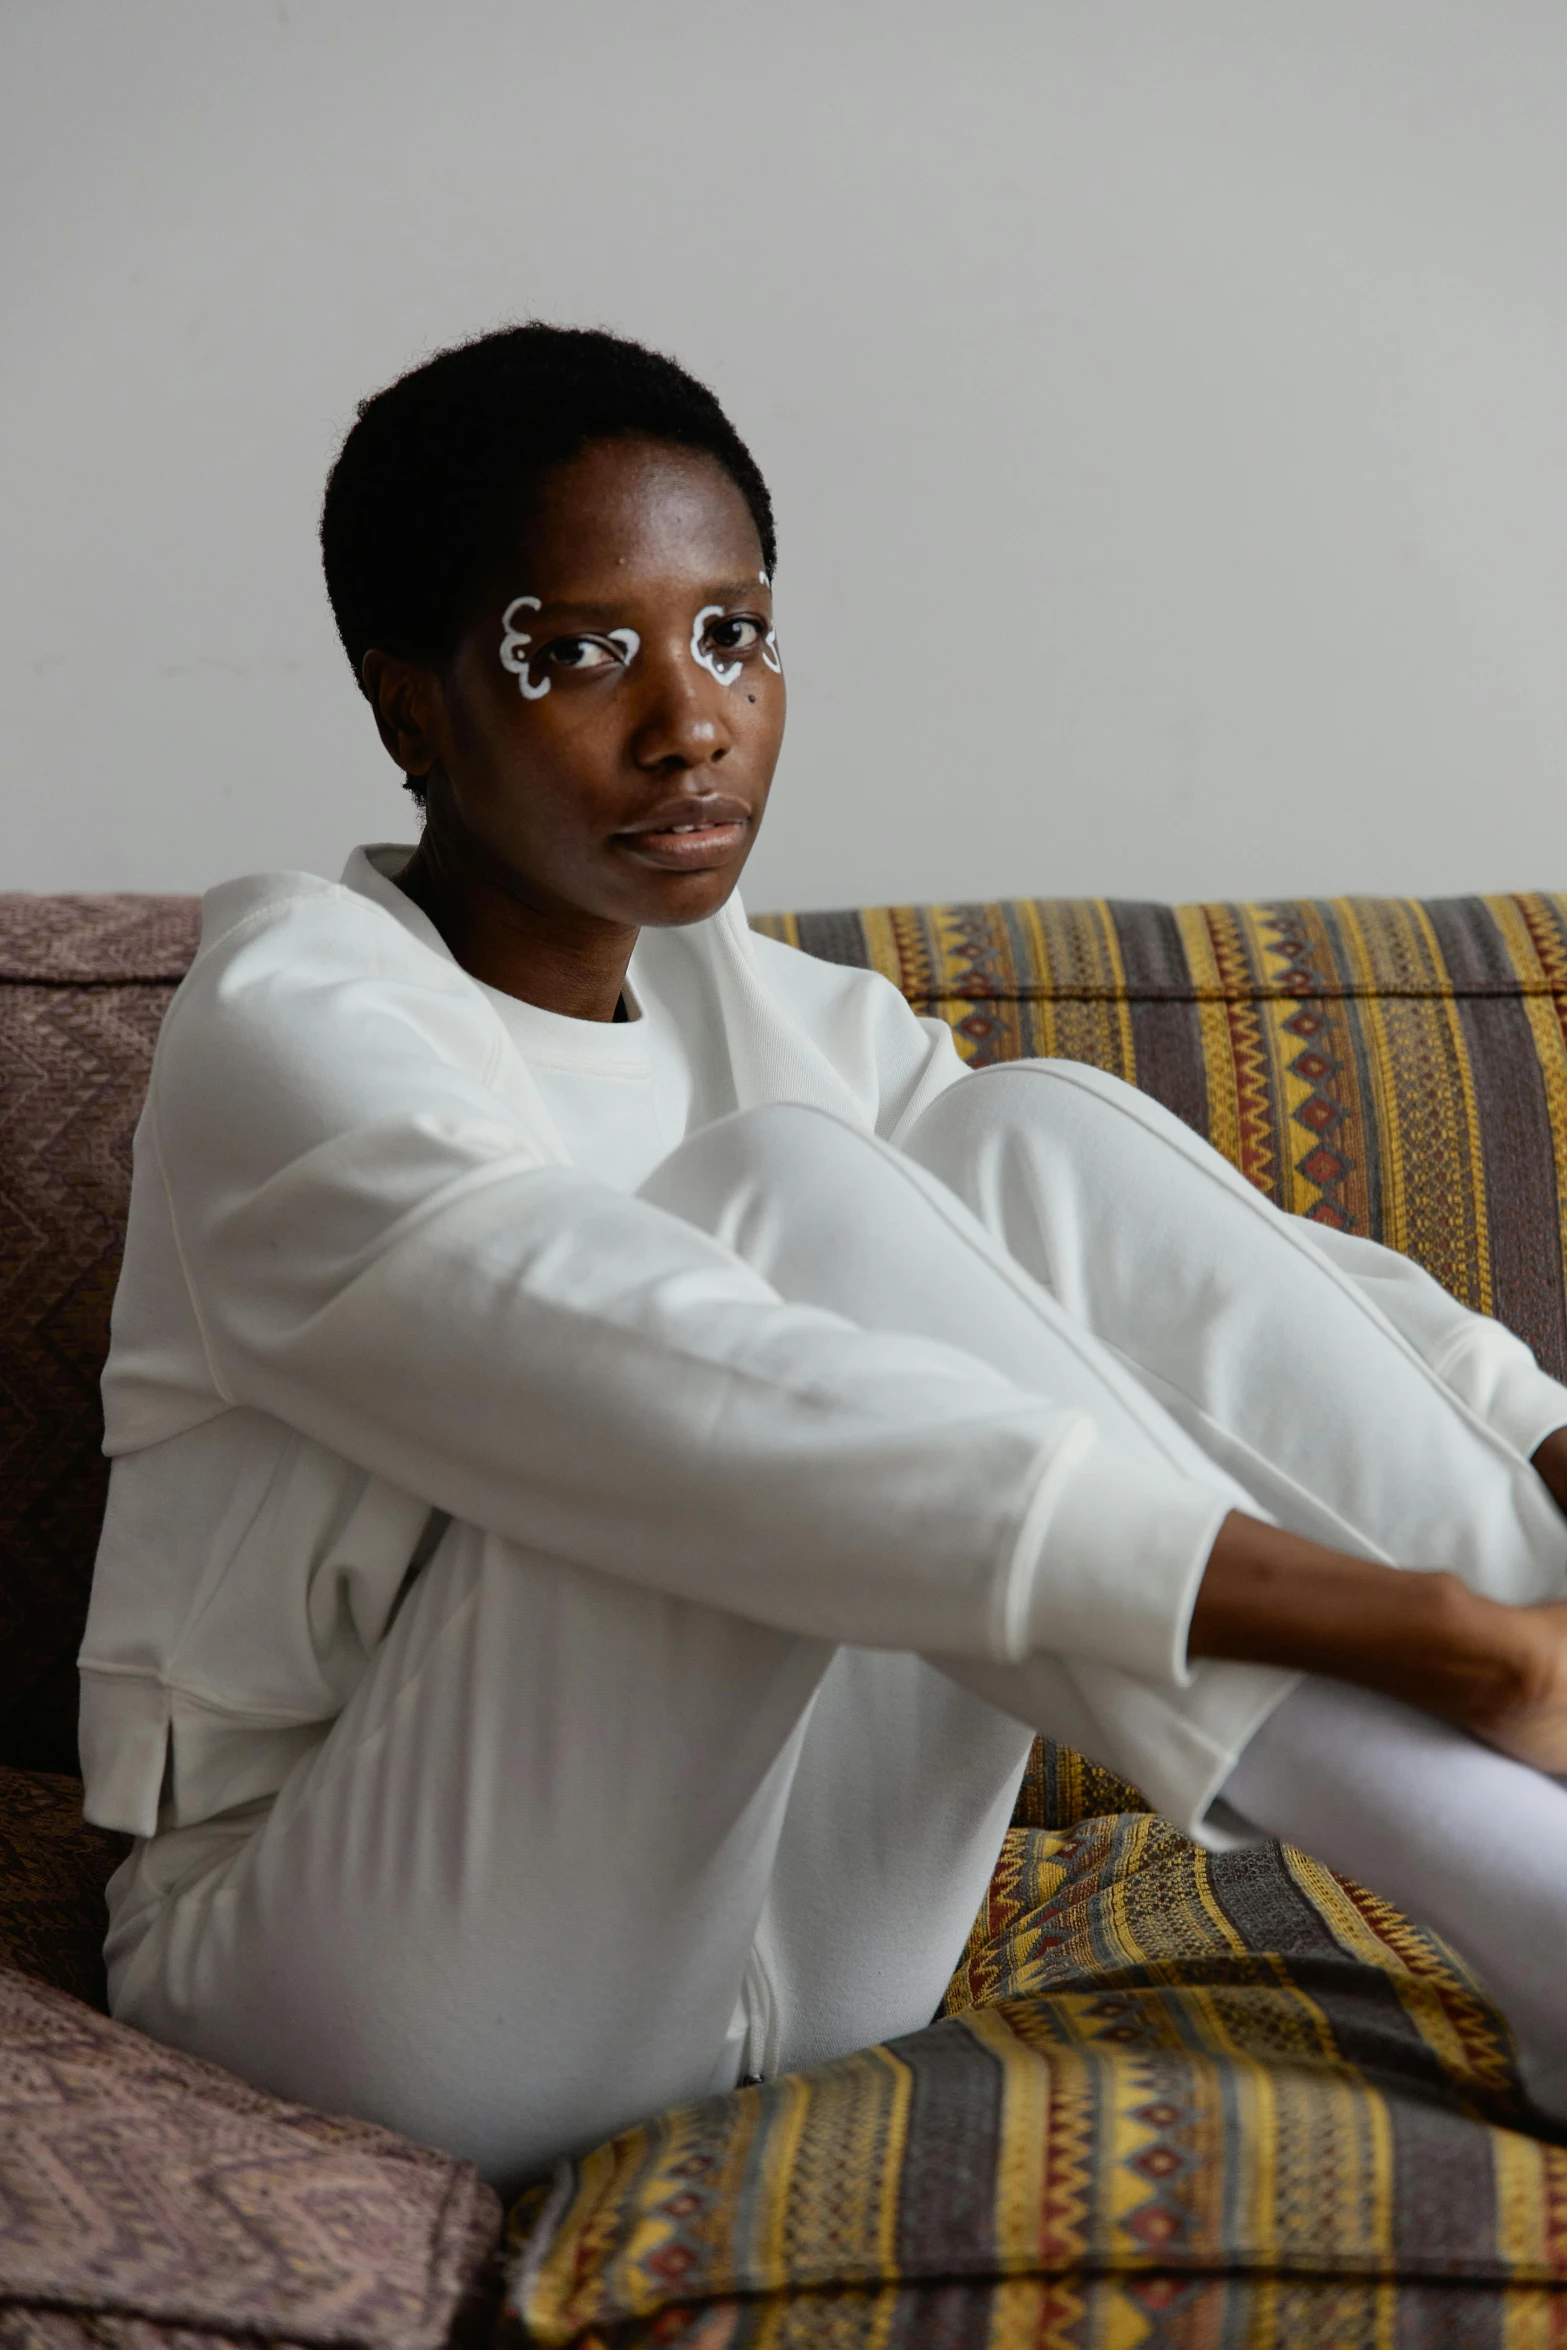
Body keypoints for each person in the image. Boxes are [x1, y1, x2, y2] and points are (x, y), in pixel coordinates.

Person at [81, 323, 1567, 2193]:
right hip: (368, 1985)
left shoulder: (773, 1011)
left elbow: (1214, 1275)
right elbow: (634, 1361)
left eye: (732, 632)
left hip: (824, 1952)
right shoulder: (292, 1026)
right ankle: (1528, 1887)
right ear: (413, 710)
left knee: (1017, 1136)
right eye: (576, 651)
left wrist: (1522, 1434)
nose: (687, 716)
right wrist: (1421, 1631)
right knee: (795, 1204)